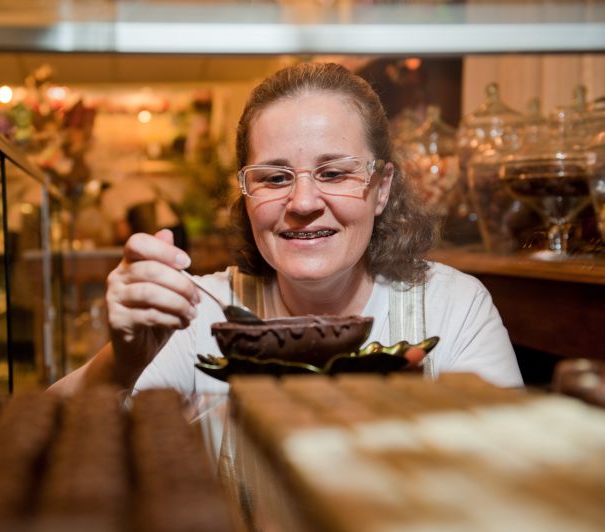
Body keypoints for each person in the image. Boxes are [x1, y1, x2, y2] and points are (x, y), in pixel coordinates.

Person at [48, 62, 523, 400]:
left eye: (334, 173)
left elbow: (517, 482)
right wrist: (123, 364)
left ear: (381, 189)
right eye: (274, 178)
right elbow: (38, 460)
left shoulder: (451, 308)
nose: (303, 202)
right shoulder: (196, 315)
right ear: (246, 197)